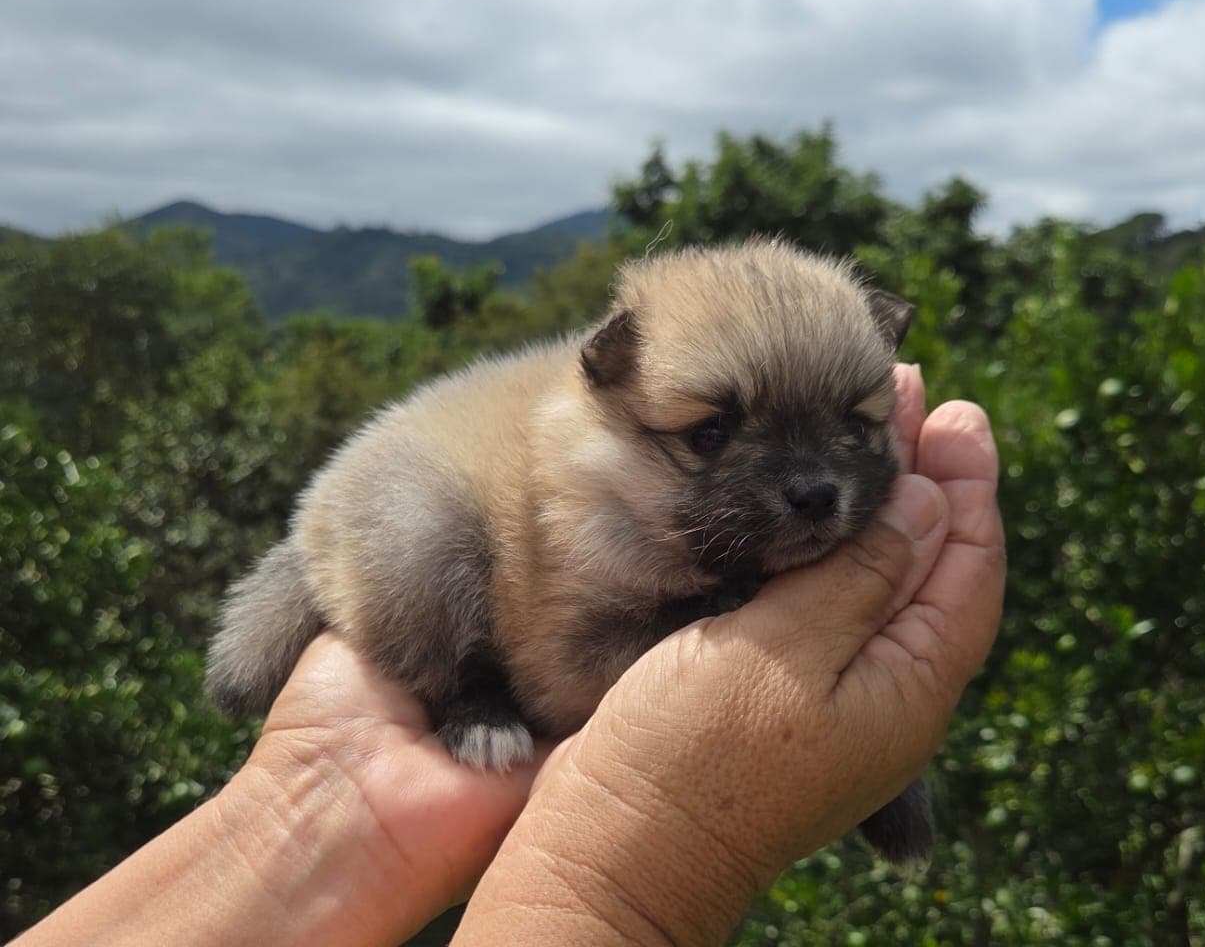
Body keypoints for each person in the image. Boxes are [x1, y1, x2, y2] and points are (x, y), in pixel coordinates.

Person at [16, 365, 1004, 947]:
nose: (806, 474)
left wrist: (298, 811)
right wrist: (624, 874)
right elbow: (571, 641)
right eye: (709, 433)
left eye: (849, 427)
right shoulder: (585, 490)